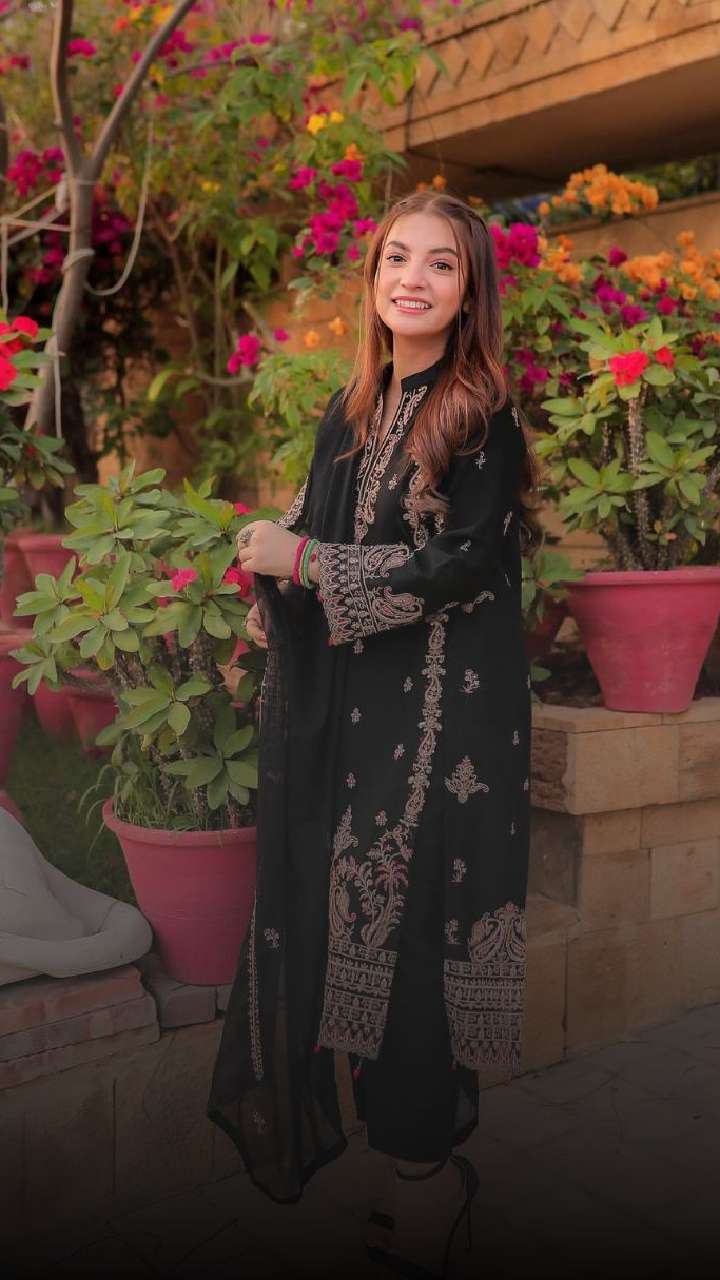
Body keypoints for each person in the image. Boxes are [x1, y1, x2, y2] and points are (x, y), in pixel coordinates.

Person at [208, 190, 539, 1278]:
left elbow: (464, 564)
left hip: (451, 730)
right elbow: (317, 532)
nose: (413, 279)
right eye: (397, 258)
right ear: (372, 279)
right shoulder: (349, 413)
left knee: (416, 939)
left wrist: (302, 562)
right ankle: (412, 1174)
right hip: (358, 714)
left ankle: (426, 1178)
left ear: (470, 289)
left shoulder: (481, 416)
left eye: (441, 264)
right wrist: (274, 583)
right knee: (351, 922)